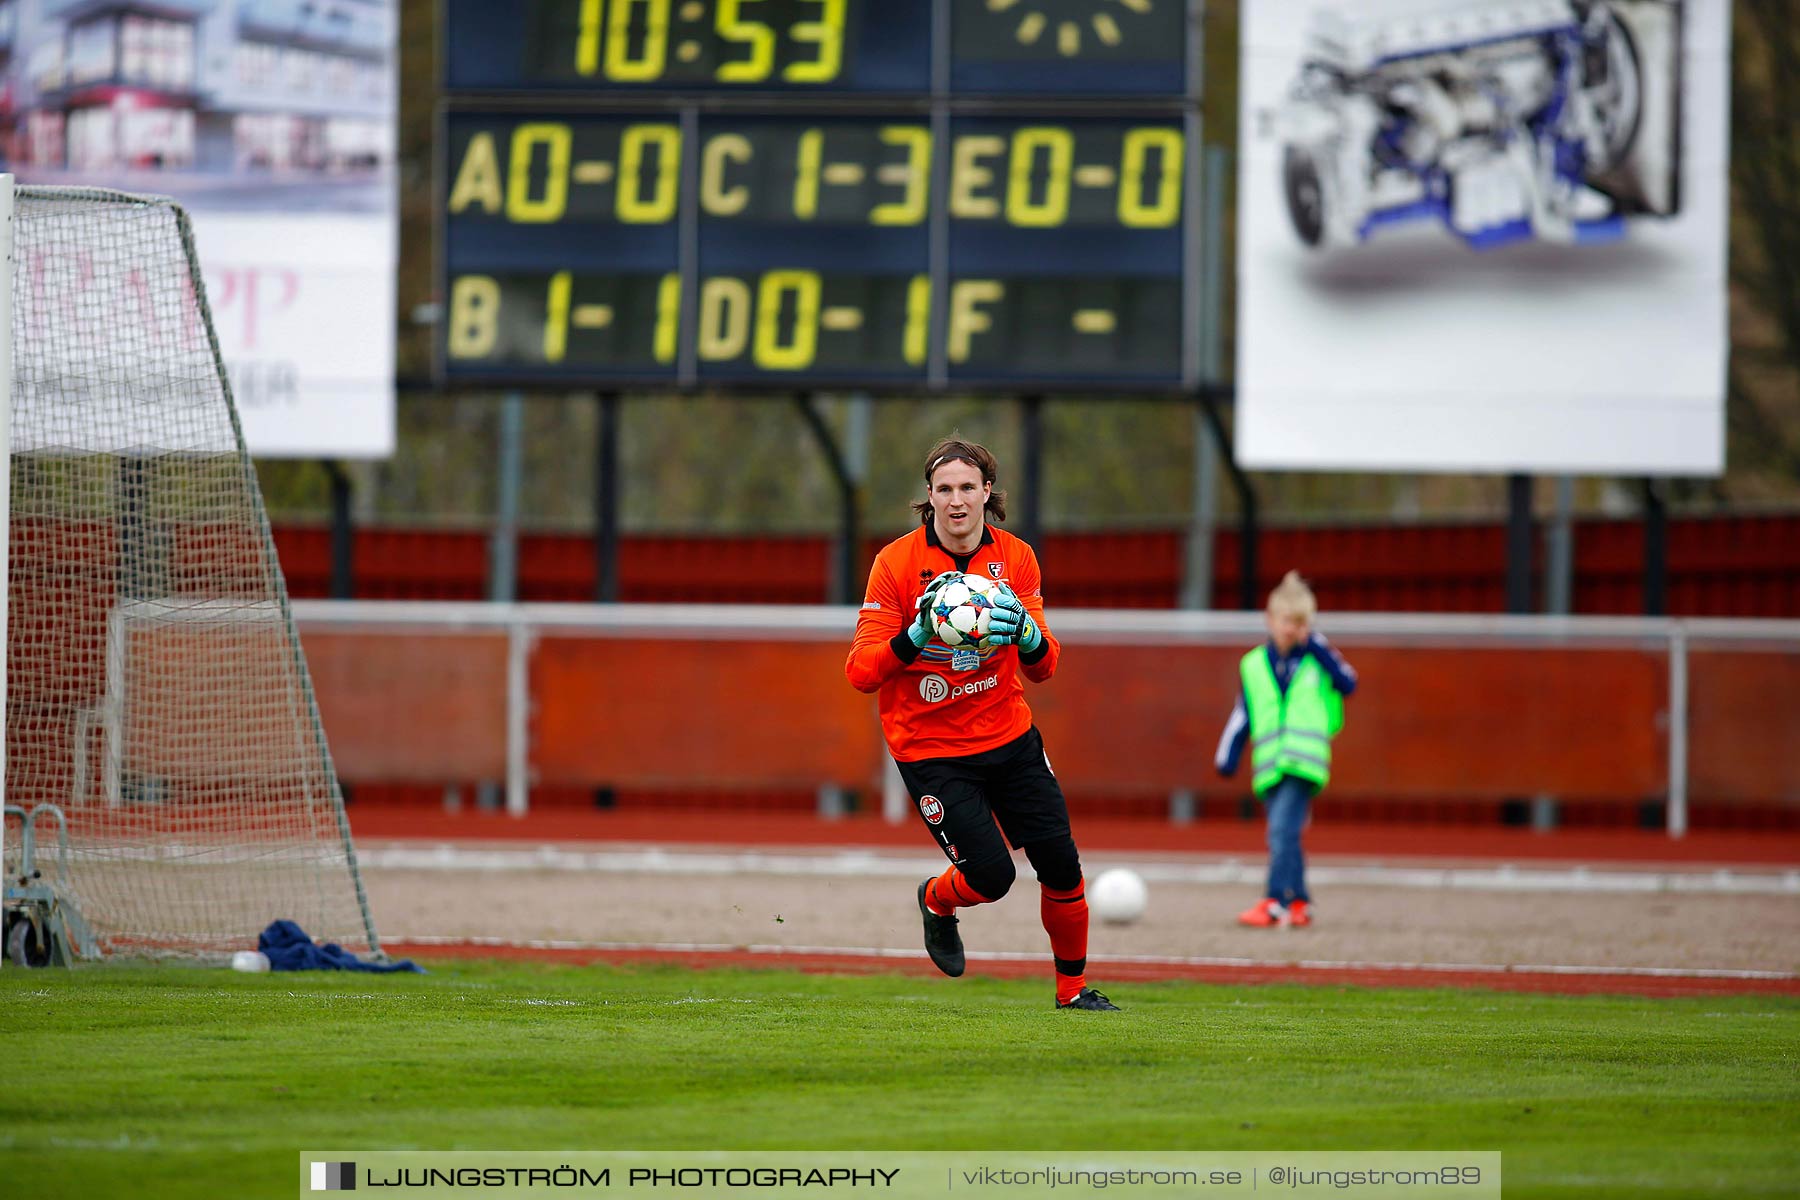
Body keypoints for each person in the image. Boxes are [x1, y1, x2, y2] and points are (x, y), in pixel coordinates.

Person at [845, 437, 1118, 1011]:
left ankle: (1073, 994)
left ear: (987, 492)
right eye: (944, 489)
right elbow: (861, 672)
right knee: (992, 878)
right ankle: (937, 901)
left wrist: (1025, 632)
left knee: (1061, 865)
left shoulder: (1016, 558)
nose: (957, 500)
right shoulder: (894, 564)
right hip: (931, 750)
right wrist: (917, 635)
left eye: (968, 487)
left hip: (1009, 736)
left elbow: (1044, 667)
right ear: (929, 497)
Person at [1214, 570, 1357, 928]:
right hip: (1270, 764)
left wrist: (1318, 645)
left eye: (1300, 623)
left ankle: (1276, 899)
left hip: (1304, 762)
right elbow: (1242, 713)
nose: (1292, 629)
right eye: (1286, 621)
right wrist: (1228, 756)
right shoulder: (1253, 664)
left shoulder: (1317, 657)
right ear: (1270, 619)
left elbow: (1348, 682)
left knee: (1280, 831)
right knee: (1286, 832)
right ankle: (1300, 903)